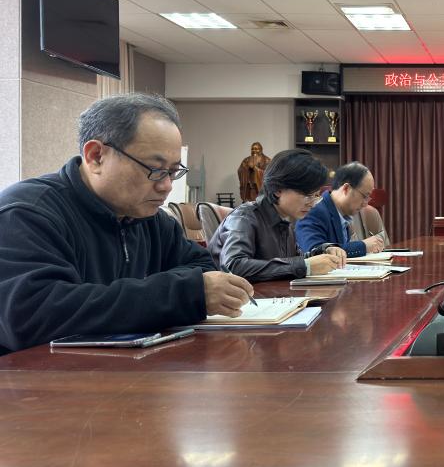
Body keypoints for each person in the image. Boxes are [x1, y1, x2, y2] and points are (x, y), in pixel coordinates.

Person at [0, 94, 253, 354]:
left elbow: (201, 268)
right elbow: (32, 315)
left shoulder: (150, 219)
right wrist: (178, 294)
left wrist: (155, 296)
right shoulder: (25, 214)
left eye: (173, 172)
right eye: (155, 169)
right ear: (96, 156)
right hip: (36, 375)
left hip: (121, 367)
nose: (166, 186)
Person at [209, 149, 346, 282]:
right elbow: (233, 266)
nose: (312, 203)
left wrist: (323, 251)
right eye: (307, 195)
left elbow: (291, 262)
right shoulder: (244, 217)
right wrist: (306, 266)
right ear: (278, 189)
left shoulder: (284, 222)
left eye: (316, 196)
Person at [295, 161, 390, 257]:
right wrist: (363, 246)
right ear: (346, 188)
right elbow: (314, 252)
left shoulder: (342, 213)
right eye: (364, 196)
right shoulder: (313, 211)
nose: (365, 204)